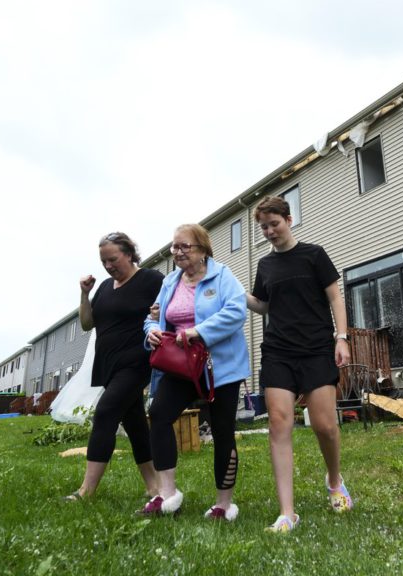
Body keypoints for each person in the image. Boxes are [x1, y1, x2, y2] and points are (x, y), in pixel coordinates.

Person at [246, 196, 353, 533]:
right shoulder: (265, 266)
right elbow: (263, 306)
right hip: (278, 350)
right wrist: (235, 293)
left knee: (325, 426)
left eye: (274, 224)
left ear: (289, 220)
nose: (269, 231)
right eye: (263, 227)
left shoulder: (314, 255)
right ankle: (287, 512)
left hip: (316, 347)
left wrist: (342, 337)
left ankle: (334, 481)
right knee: (279, 423)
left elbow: (335, 296)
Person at [142, 224, 250, 519]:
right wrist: (151, 331)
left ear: (202, 250)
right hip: (180, 366)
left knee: (223, 430)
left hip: (220, 369)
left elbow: (236, 311)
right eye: (174, 247)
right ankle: (167, 493)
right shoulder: (170, 282)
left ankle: (224, 505)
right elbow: (153, 316)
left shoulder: (222, 276)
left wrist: (197, 332)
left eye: (184, 246)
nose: (177, 252)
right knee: (160, 413)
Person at [64, 232, 163, 502]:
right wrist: (84, 295)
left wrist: (158, 322)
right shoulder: (105, 287)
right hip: (108, 364)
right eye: (103, 261)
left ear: (129, 254)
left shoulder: (151, 279)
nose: (108, 266)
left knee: (106, 411)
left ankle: (86, 491)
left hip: (136, 361)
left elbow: (169, 310)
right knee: (135, 424)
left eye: (113, 259)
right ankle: (154, 488)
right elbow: (87, 324)